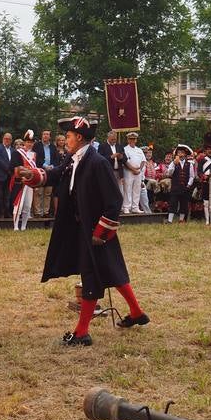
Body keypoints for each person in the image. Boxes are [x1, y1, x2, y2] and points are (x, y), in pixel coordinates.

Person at [19, 116, 148, 346]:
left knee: (91, 276)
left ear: (79, 137)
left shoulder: (98, 163)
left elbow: (114, 201)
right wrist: (34, 175)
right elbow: (57, 173)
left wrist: (101, 232)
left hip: (96, 232)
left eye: (68, 136)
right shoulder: (73, 158)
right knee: (111, 270)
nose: (65, 140)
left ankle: (81, 332)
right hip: (80, 227)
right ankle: (137, 312)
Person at [9, 131, 38, 230]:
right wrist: (23, 176)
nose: (30, 144)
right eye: (28, 142)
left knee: (27, 206)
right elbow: (15, 167)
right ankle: (16, 226)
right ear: (24, 143)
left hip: (30, 182)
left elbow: (35, 169)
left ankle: (24, 227)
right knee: (18, 205)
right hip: (20, 182)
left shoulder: (34, 154)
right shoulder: (17, 153)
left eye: (31, 142)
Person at [31, 129, 60, 217]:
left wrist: (52, 166)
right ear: (41, 135)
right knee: (38, 192)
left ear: (50, 137)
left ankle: (46, 212)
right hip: (40, 171)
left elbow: (56, 158)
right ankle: (38, 212)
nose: (45, 136)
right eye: (44, 134)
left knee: (48, 193)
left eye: (47, 134)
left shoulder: (53, 147)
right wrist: (44, 165)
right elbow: (36, 157)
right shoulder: (37, 145)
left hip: (50, 172)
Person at [168, 144, 197, 223]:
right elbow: (169, 173)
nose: (180, 154)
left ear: (185, 154)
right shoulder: (173, 163)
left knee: (183, 203)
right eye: (179, 153)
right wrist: (174, 163)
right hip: (175, 186)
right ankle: (170, 220)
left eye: (182, 153)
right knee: (173, 203)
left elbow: (192, 176)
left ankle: (181, 220)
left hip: (185, 187)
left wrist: (188, 185)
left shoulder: (189, 164)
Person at [121, 131, 146, 213]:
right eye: (130, 139)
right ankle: (126, 207)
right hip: (128, 172)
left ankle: (135, 207)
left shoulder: (139, 150)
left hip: (138, 172)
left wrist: (139, 169)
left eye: (134, 139)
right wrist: (133, 169)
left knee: (136, 189)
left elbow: (143, 161)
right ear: (128, 140)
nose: (132, 140)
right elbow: (125, 162)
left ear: (136, 140)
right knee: (127, 189)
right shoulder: (124, 149)